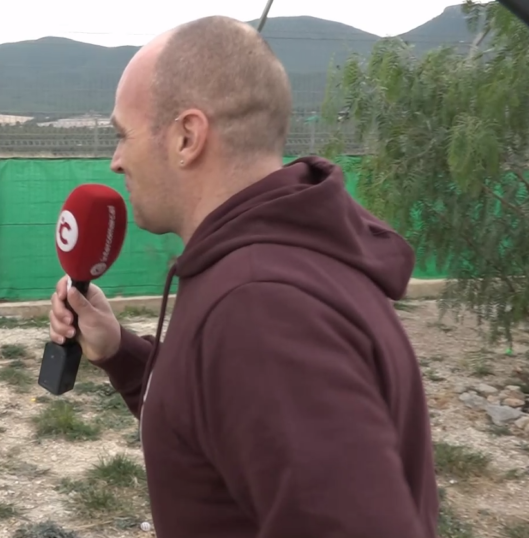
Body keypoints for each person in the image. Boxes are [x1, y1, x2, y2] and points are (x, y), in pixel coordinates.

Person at [47, 15, 439, 538]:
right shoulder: (279, 263)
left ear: (187, 137)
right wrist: (120, 351)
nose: (116, 161)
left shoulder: (261, 310)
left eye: (122, 135)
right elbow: (213, 425)